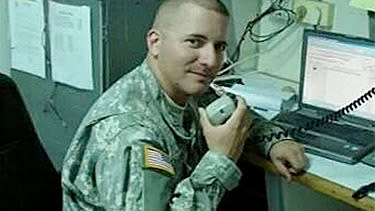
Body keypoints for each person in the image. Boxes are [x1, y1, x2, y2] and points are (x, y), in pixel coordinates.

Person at [61, 0, 306, 210]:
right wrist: (221, 159)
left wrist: (276, 140)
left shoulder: (185, 86)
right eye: (194, 42)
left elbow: (237, 114)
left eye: (219, 46)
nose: (211, 60)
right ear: (155, 42)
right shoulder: (132, 138)